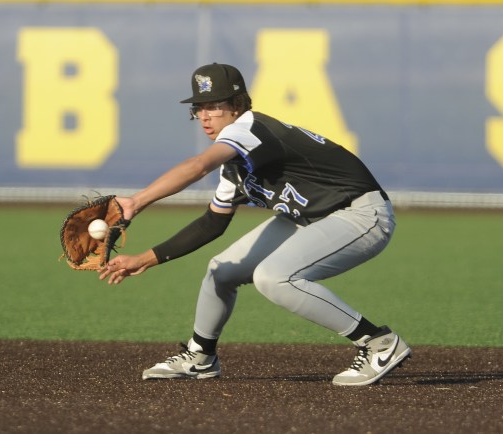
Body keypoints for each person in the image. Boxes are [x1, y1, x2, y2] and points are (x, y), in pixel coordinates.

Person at [99, 63, 411, 386]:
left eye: (214, 106)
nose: (205, 116)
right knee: (221, 270)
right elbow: (211, 225)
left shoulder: (248, 129)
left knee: (273, 276)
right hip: (314, 216)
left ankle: (379, 343)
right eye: (199, 108)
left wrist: (137, 201)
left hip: (362, 214)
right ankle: (201, 357)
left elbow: (197, 165)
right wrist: (143, 259)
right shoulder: (233, 168)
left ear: (236, 105)